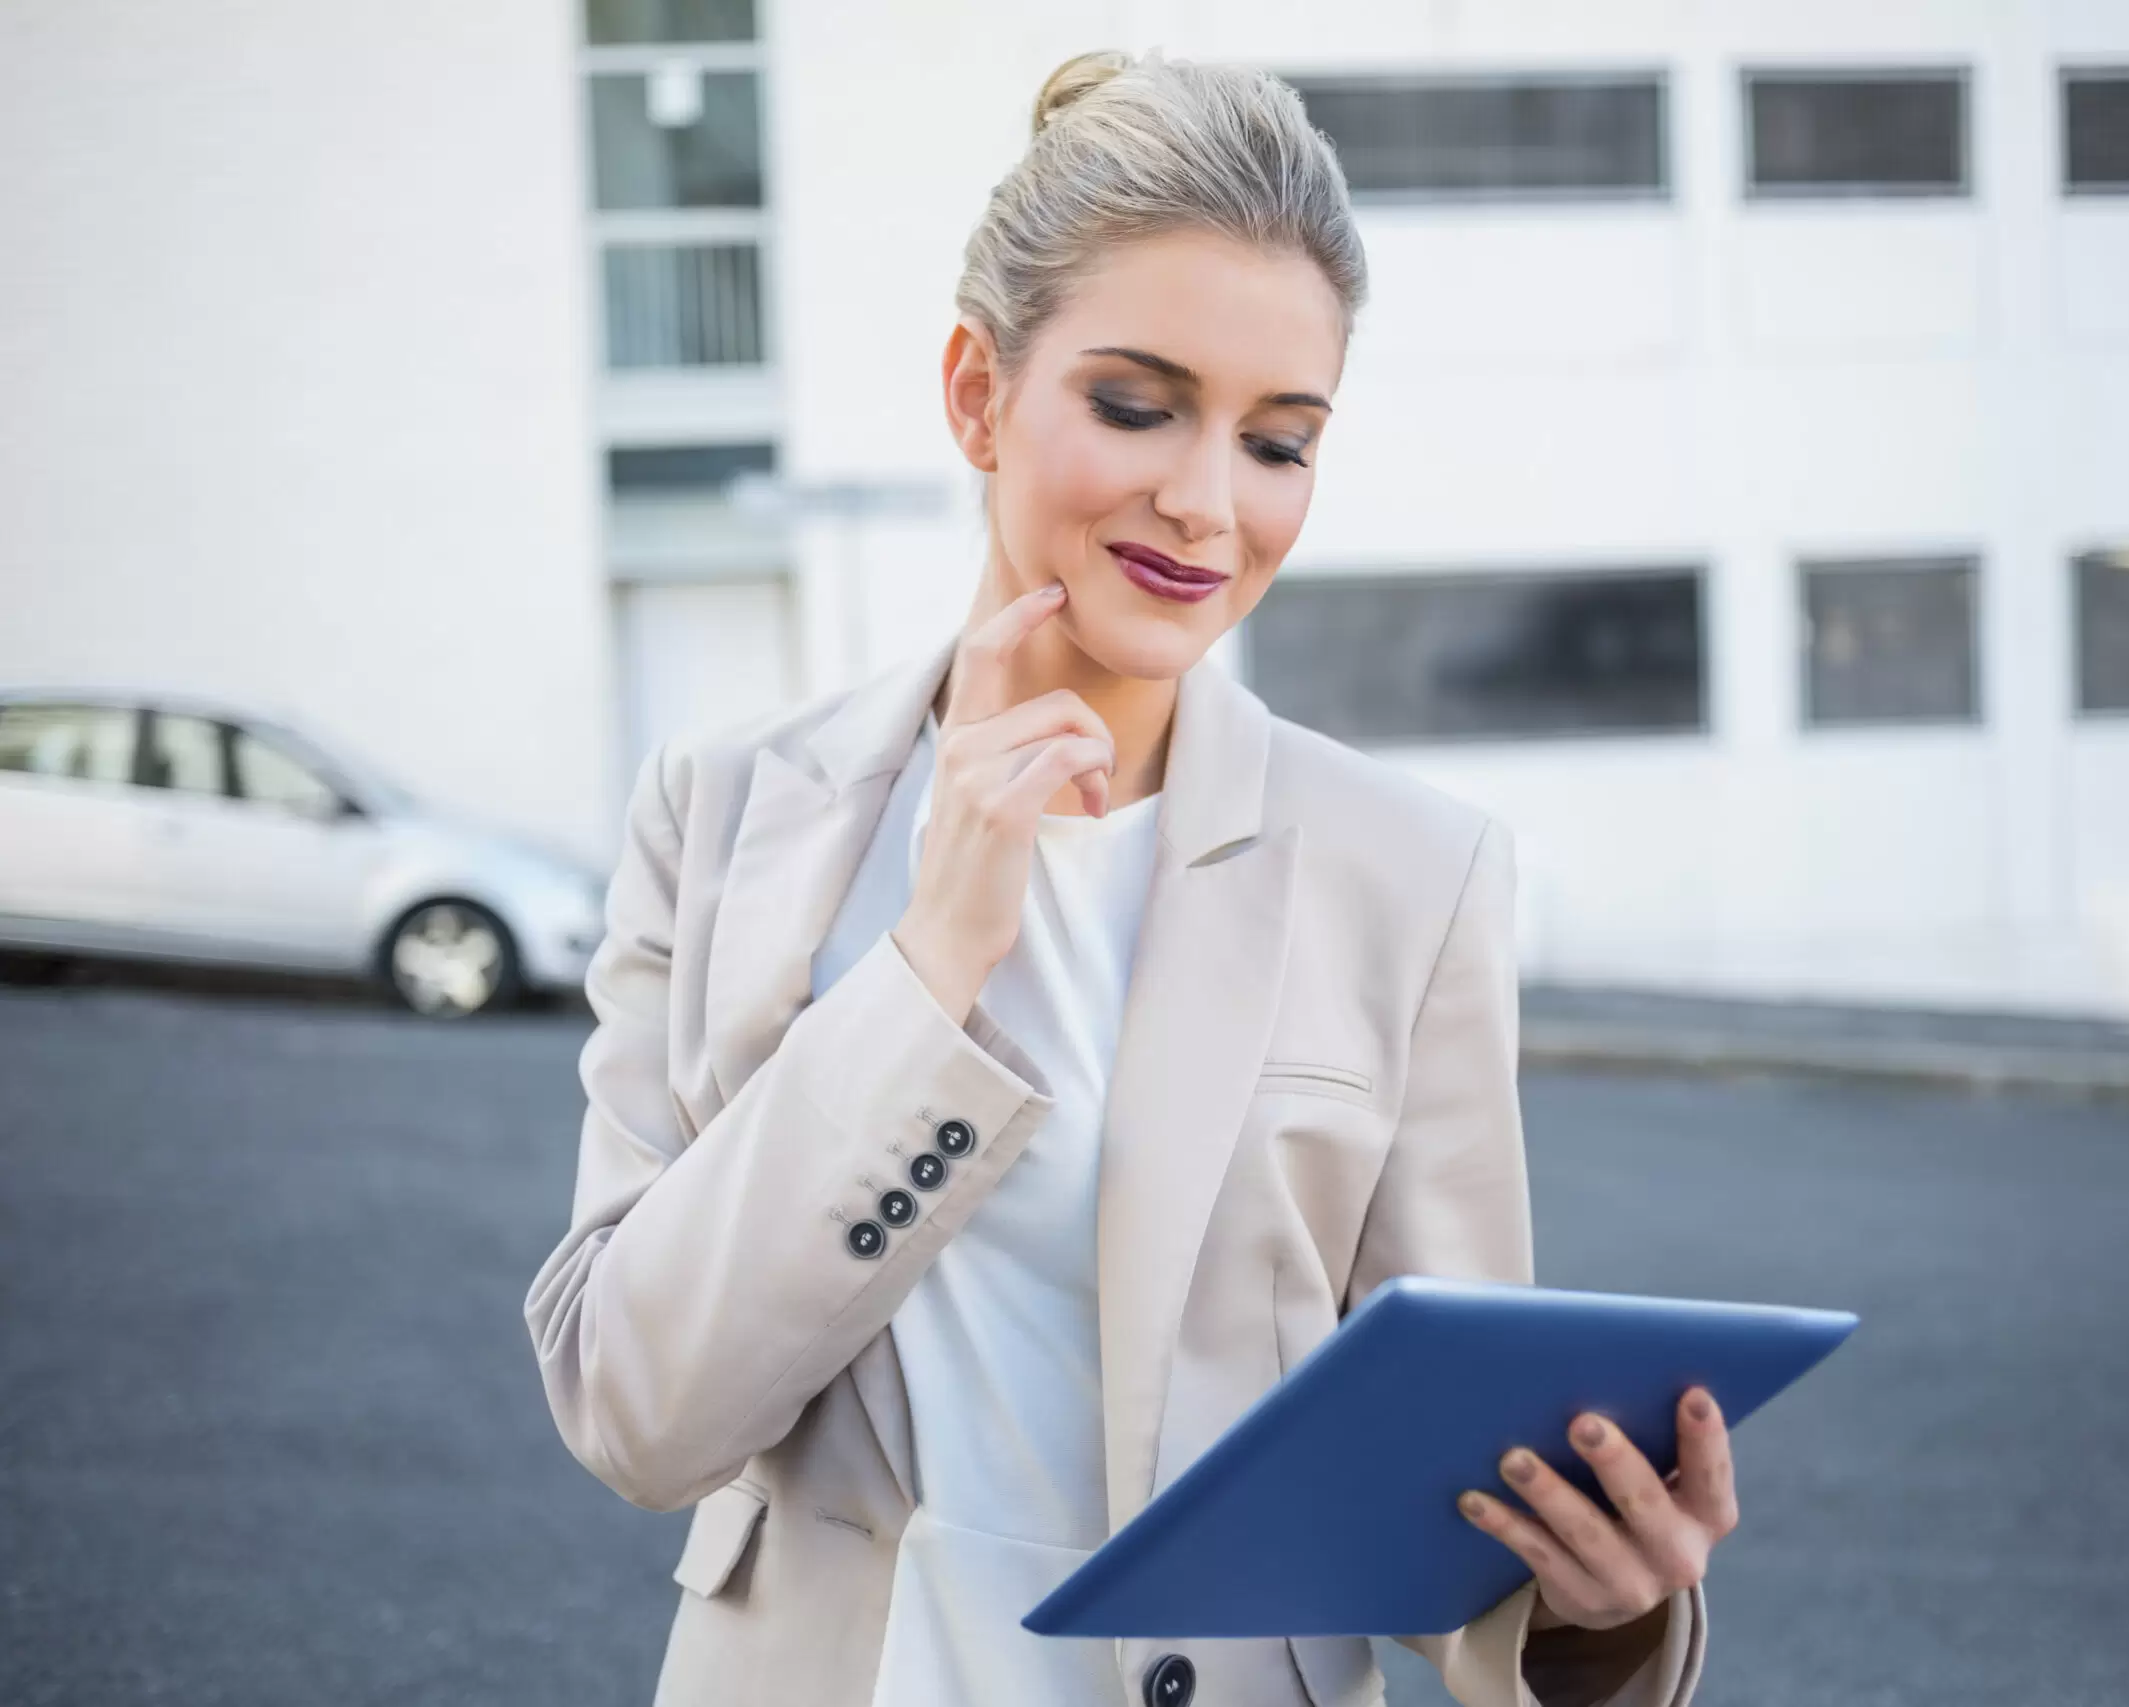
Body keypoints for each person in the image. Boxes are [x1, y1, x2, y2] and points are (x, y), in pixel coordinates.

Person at [524, 47, 1736, 1707]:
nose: (1206, 503)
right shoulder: (731, 818)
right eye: (1136, 404)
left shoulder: (1415, 876)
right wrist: (930, 967)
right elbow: (634, 1408)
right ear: (976, 393)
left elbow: (1448, 1474)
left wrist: (1597, 1607)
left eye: (1278, 442)